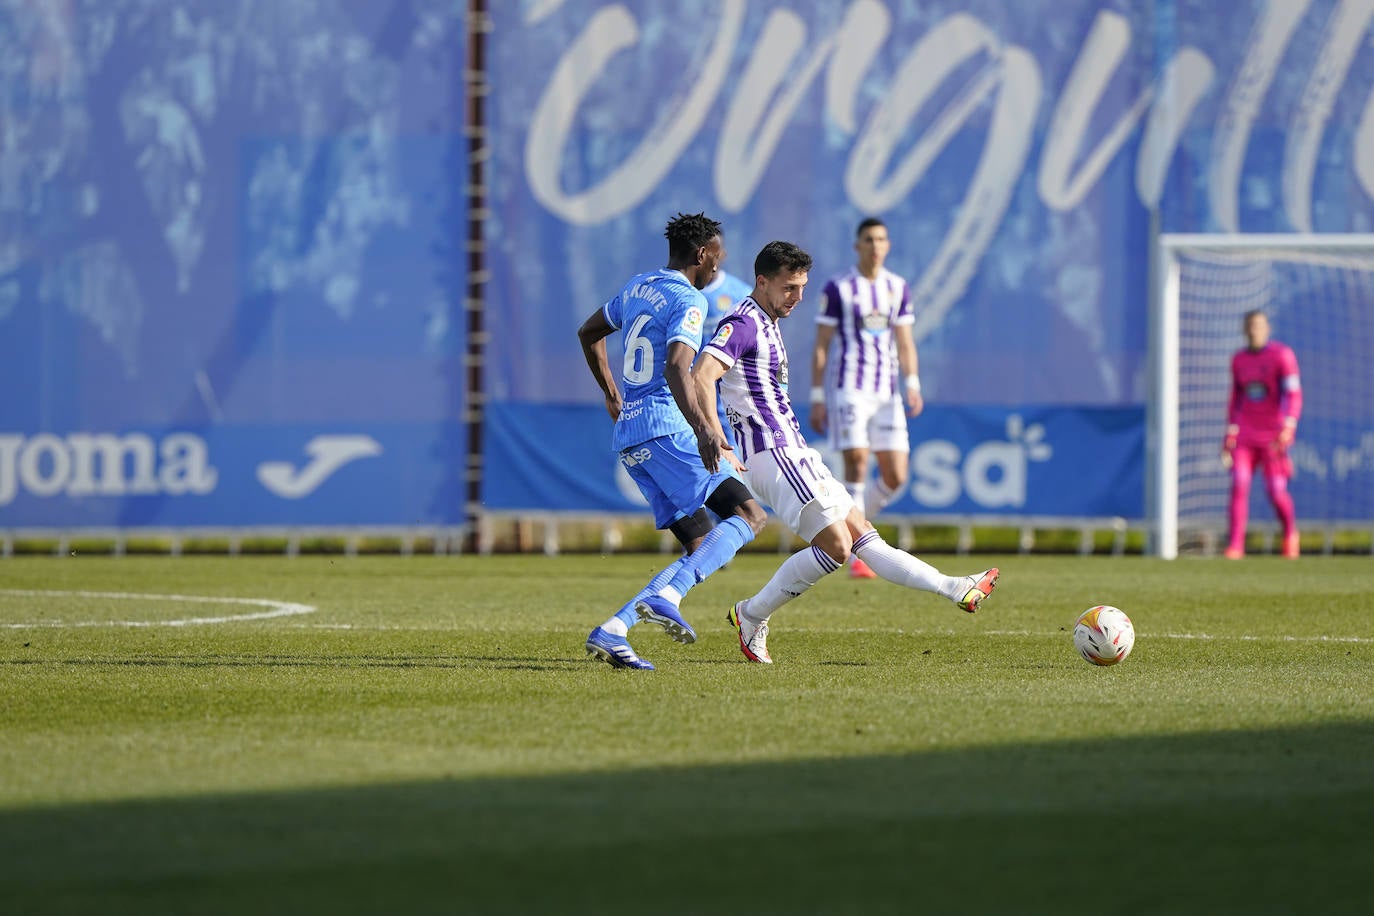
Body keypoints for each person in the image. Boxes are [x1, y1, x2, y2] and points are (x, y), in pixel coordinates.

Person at [692, 240, 998, 664]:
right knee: (836, 547)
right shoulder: (743, 322)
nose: (797, 297)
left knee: (861, 533)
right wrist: (714, 436)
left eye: (802, 288)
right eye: (789, 288)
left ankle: (955, 587)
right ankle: (752, 613)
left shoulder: (767, 320)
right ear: (762, 282)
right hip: (774, 454)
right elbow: (701, 374)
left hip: (794, 451)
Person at [577, 212, 768, 670]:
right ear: (702, 254)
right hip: (668, 429)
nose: (718, 271)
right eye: (717, 261)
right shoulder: (689, 300)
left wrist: (611, 392)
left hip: (631, 436)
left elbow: (589, 333)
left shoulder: (639, 286)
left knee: (702, 547)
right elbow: (677, 367)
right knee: (750, 514)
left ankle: (615, 630)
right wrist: (705, 431)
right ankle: (667, 596)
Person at [809, 217, 923, 579]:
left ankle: (856, 524)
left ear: (888, 246)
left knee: (895, 475)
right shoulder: (838, 288)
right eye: (869, 239)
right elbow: (822, 345)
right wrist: (816, 395)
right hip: (850, 388)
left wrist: (913, 382)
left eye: (881, 239)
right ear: (857, 245)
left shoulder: (897, 287)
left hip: (886, 391)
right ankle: (861, 553)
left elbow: (904, 340)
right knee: (857, 462)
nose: (875, 245)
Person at [1221, 309, 1303, 559]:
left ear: (1267, 328)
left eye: (1259, 325)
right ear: (1245, 330)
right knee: (1239, 483)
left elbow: (1294, 394)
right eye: (1250, 325)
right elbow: (1236, 397)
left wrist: (1289, 425)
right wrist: (1231, 430)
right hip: (1245, 434)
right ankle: (1235, 545)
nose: (1254, 330)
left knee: (1276, 491)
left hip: (1273, 436)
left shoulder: (1282, 356)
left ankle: (1290, 534)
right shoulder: (1239, 359)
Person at [699, 268, 754, 451]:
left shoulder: (740, 293)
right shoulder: (684, 294)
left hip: (729, 387)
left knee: (734, 451)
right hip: (694, 383)